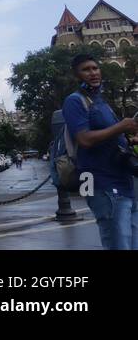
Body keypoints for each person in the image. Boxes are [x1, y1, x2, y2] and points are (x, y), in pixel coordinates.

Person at [62, 52, 138, 249]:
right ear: (76, 75)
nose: (93, 73)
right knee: (118, 245)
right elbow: (84, 139)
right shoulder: (74, 101)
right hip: (102, 184)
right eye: (86, 70)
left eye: (95, 68)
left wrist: (129, 139)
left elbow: (111, 137)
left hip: (126, 183)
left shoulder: (101, 102)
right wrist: (121, 126)